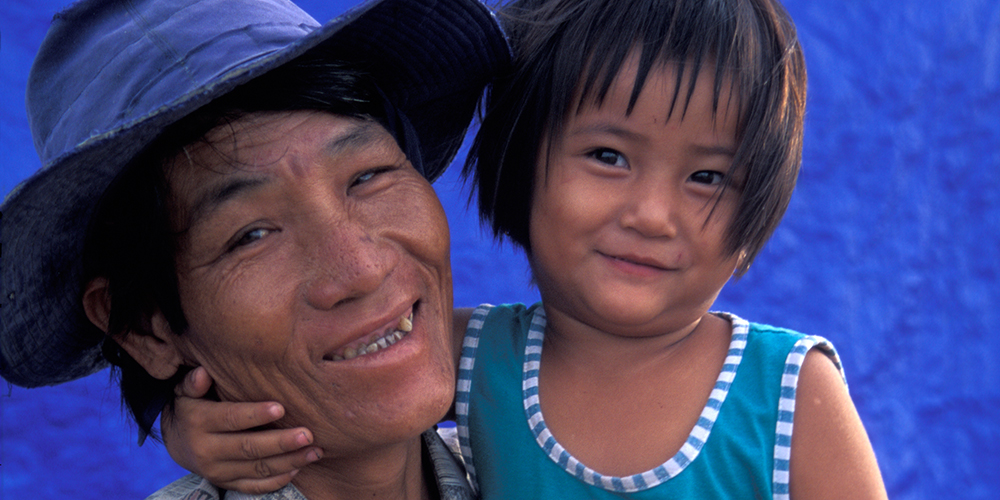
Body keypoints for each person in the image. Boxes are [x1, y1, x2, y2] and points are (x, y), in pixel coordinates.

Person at [164, 0, 889, 498]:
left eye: (707, 177)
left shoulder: (789, 392)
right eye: (608, 156)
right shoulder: (476, 361)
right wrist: (199, 432)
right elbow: (328, 378)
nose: (652, 214)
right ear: (521, 160)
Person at [0, 0, 508, 498]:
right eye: (252, 235)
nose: (363, 270)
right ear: (146, 328)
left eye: (368, 176)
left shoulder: (550, 468)